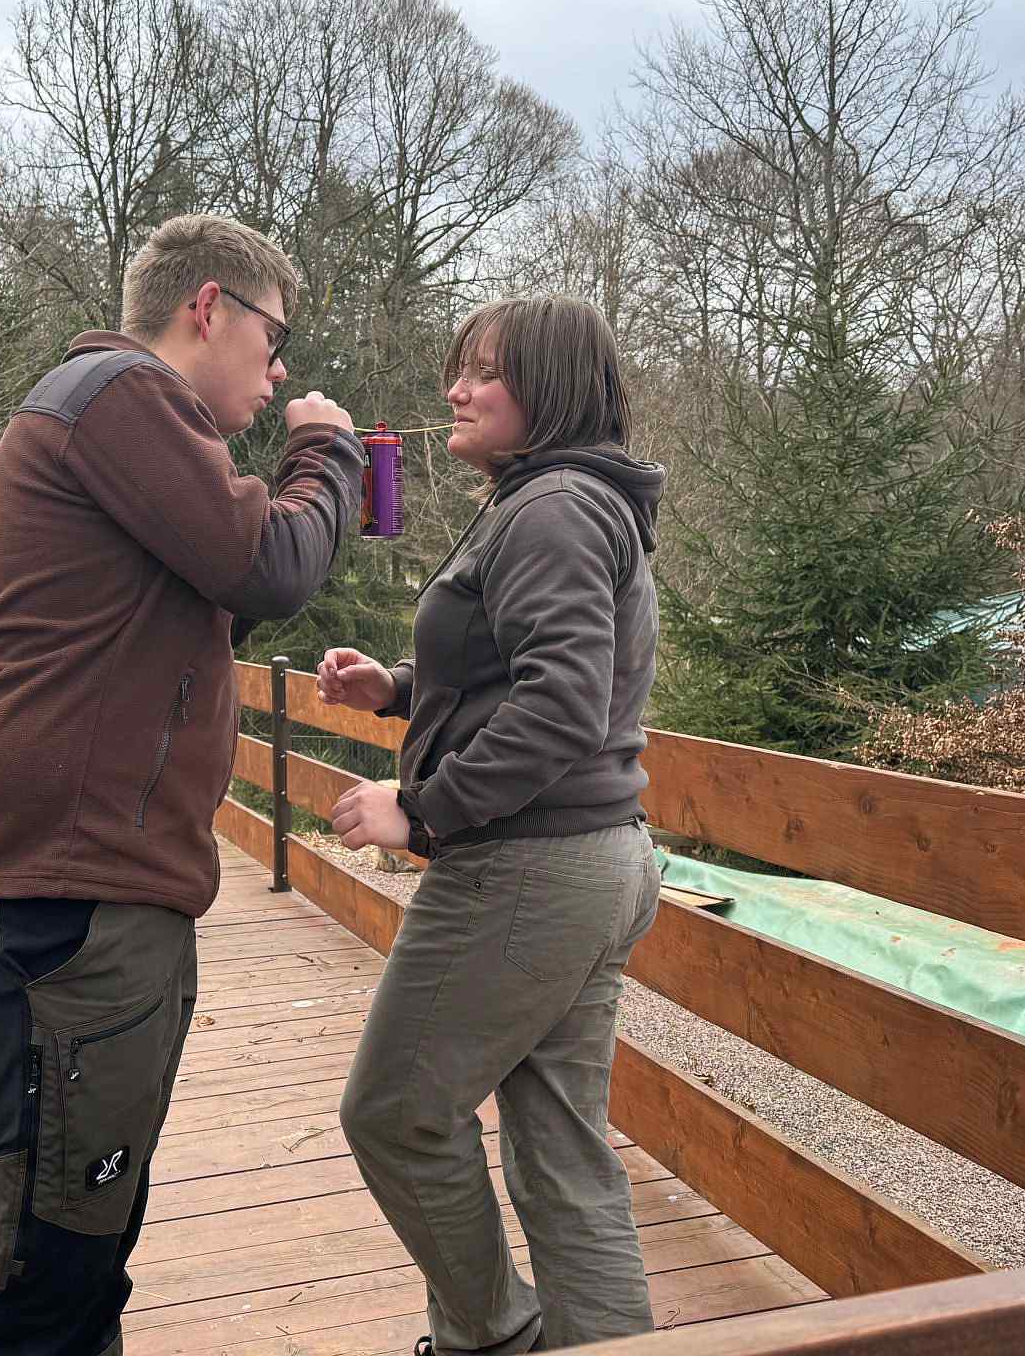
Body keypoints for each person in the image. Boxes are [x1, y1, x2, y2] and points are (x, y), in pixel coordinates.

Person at [0, 215, 363, 1356]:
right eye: (274, 339)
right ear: (208, 309)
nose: (278, 372)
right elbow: (269, 564)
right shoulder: (119, 395)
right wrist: (327, 455)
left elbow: (195, 607)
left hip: (76, 875)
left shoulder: (103, 421)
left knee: (83, 1236)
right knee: (37, 1258)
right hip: (71, 886)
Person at [319, 295, 665, 1356]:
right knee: (562, 1150)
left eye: (481, 372)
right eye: (456, 369)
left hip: (530, 867)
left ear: (546, 391)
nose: (454, 391)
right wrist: (399, 690)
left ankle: (493, 1338)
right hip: (594, 858)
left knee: (395, 1114)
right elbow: (531, 673)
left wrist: (420, 812)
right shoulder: (564, 501)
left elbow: (561, 706)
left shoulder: (553, 507)